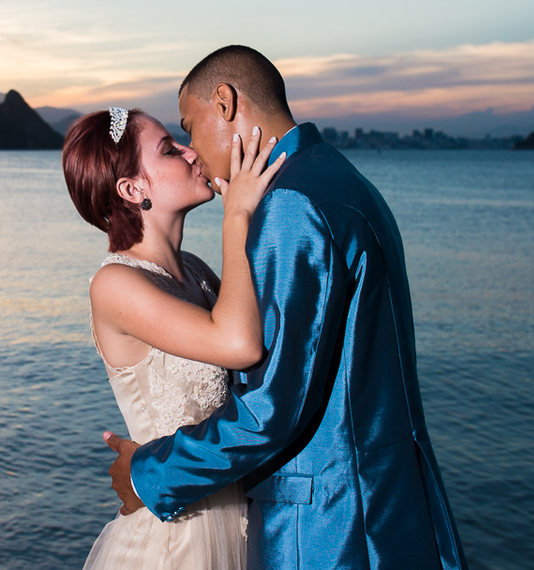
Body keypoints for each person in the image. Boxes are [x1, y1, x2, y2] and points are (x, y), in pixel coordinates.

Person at [102, 45, 468, 570]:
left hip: (329, 527)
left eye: (190, 125)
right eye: (172, 144)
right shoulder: (335, 177)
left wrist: (149, 473)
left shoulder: (290, 206)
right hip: (385, 508)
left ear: (225, 104)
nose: (193, 149)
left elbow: (270, 408)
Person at [61, 105, 287, 570]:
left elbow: (262, 357)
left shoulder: (198, 273)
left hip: (236, 511)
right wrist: (237, 214)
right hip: (180, 534)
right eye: (168, 149)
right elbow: (239, 345)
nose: (190, 152)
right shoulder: (116, 285)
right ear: (132, 188)